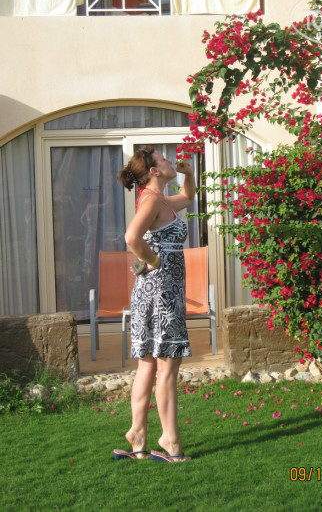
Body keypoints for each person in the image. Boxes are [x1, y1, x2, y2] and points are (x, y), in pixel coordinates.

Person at [114, 145, 195, 463]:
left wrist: (190, 175)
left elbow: (187, 197)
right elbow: (131, 237)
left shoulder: (159, 200)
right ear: (154, 171)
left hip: (154, 292)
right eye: (164, 159)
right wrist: (155, 260)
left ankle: (137, 435)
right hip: (161, 294)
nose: (171, 160)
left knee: (148, 363)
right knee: (167, 366)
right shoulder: (150, 201)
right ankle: (170, 441)